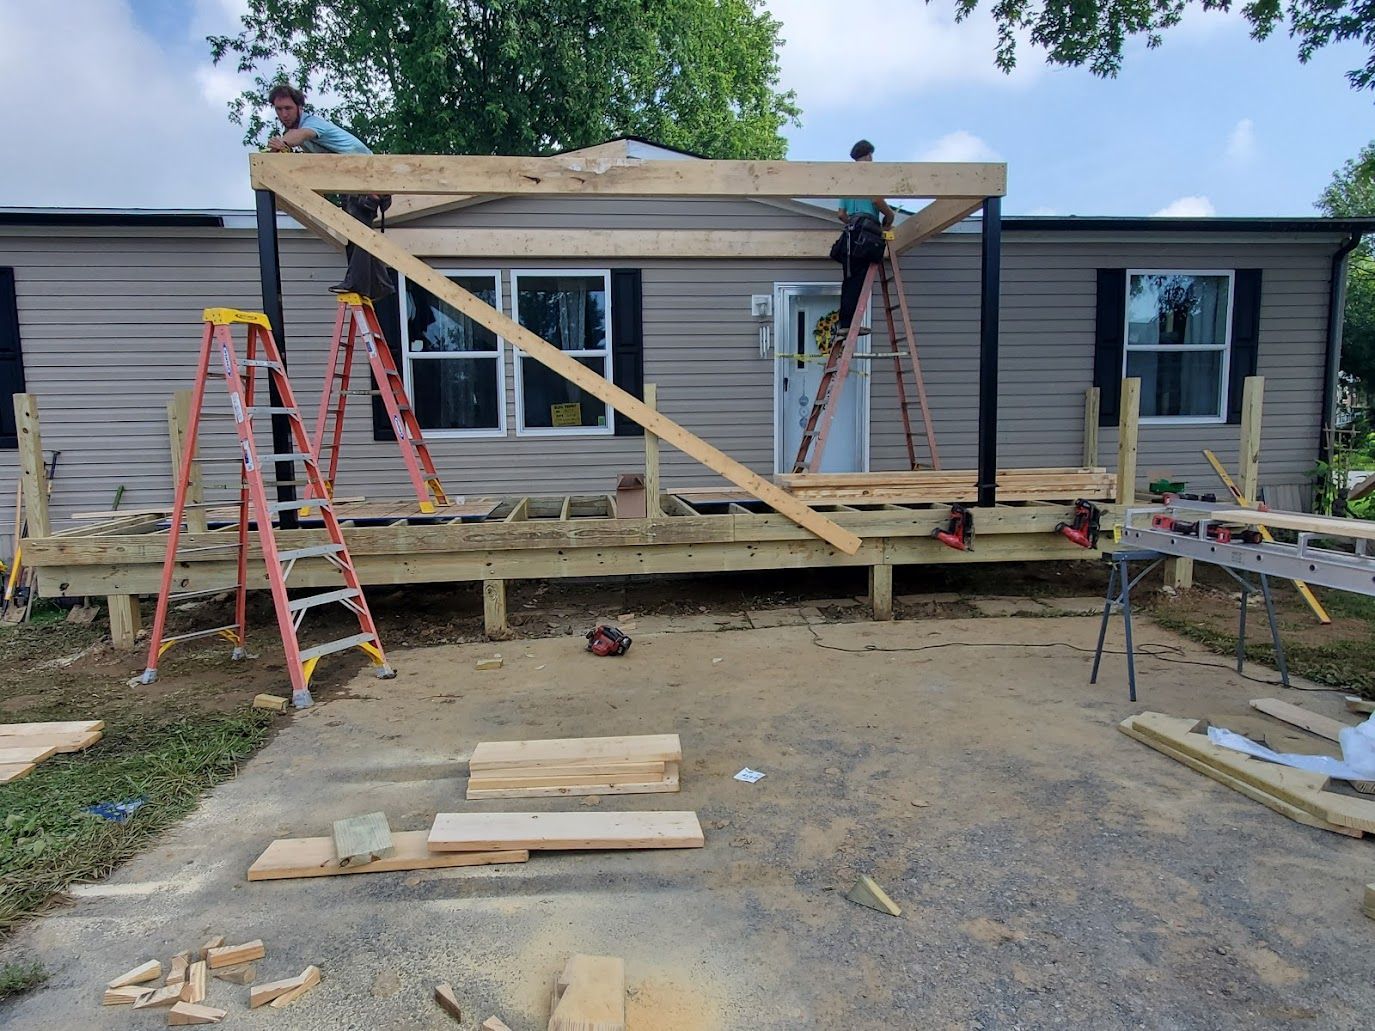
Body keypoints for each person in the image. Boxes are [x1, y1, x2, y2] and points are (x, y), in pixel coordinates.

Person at [266, 84, 395, 299]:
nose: (283, 114)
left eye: (288, 108)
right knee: (355, 234)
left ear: (299, 107)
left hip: (365, 177)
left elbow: (299, 135)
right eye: (279, 109)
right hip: (351, 183)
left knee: (357, 233)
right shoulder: (299, 133)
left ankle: (357, 283)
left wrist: (280, 144)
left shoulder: (311, 124)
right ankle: (381, 284)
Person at [834, 139, 895, 338]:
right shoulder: (868, 176)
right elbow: (876, 200)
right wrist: (890, 215)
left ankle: (845, 323)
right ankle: (851, 325)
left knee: (850, 279)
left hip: (850, 235)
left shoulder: (847, 182)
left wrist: (852, 222)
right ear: (868, 155)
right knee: (860, 281)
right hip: (867, 232)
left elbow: (841, 214)